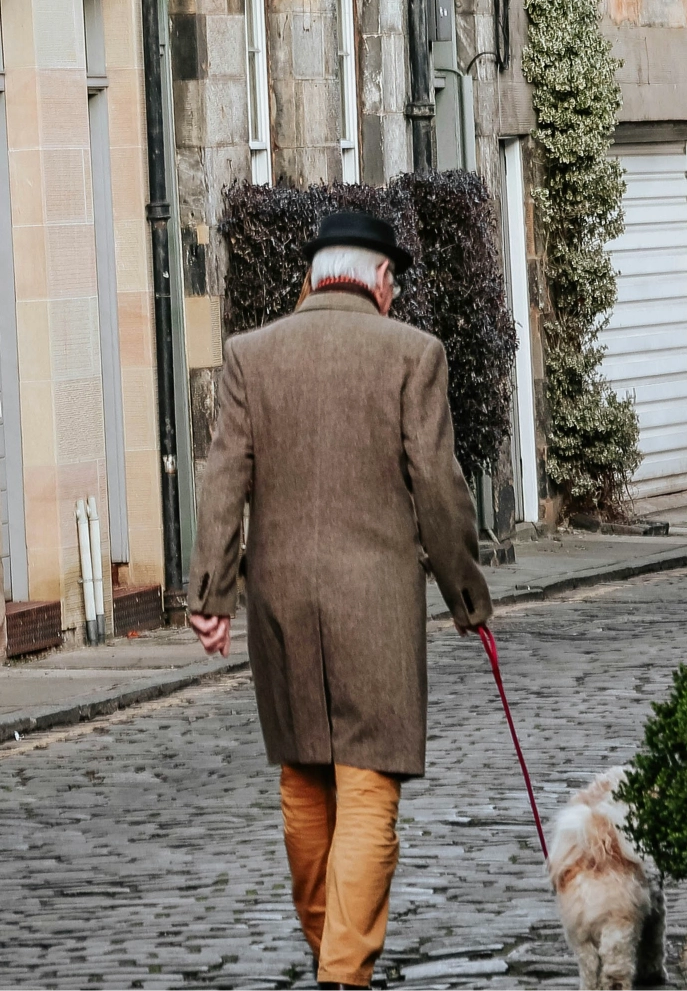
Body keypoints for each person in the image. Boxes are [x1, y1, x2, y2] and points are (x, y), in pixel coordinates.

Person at [188, 210, 492, 990]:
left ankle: (331, 944)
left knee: (301, 775)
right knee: (367, 780)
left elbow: (224, 479)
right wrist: (466, 593)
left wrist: (211, 593)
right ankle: (344, 971)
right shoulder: (413, 354)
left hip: (280, 596)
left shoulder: (249, 355)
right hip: (377, 601)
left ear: (314, 276)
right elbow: (438, 486)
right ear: (381, 280)